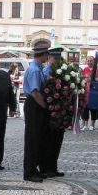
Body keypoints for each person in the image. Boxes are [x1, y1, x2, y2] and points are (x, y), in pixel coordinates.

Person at [23, 40, 50, 182]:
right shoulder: (34, 70)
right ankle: (29, 172)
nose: (48, 57)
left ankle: (34, 169)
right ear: (44, 54)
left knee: (37, 138)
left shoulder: (38, 68)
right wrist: (45, 106)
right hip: (34, 105)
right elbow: (35, 92)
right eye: (47, 54)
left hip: (35, 105)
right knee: (32, 139)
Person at [40, 47, 66, 178]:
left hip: (60, 112)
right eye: (55, 58)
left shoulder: (63, 71)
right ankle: (45, 167)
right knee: (48, 141)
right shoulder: (46, 71)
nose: (57, 61)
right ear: (49, 58)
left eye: (59, 58)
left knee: (57, 141)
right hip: (49, 113)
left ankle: (53, 167)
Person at [81, 56, 98, 131]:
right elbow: (83, 77)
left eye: (91, 60)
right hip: (86, 91)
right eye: (88, 61)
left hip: (94, 91)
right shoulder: (85, 69)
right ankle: (85, 125)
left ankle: (92, 125)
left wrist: (93, 79)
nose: (89, 62)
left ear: (94, 61)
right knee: (85, 108)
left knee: (94, 108)